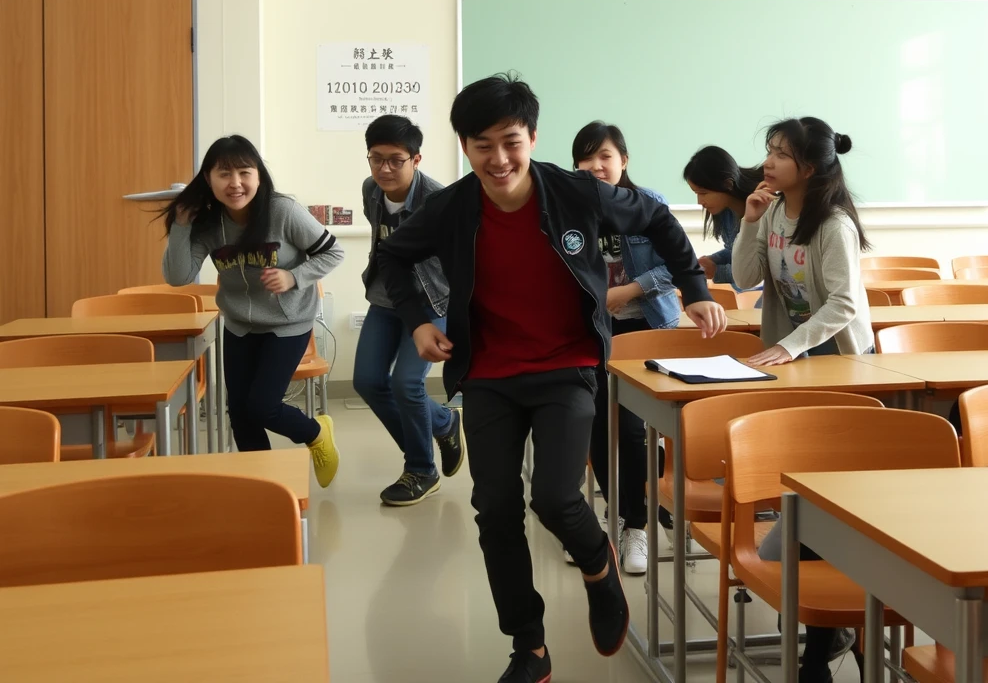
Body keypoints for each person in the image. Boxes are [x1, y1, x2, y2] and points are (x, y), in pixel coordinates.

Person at [377, 73, 727, 683]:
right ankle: (529, 647)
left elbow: (662, 221)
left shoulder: (577, 193)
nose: (499, 158)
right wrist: (416, 321)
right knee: (496, 509)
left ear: (532, 137)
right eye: (482, 144)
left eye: (510, 141)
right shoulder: (453, 207)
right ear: (464, 147)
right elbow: (390, 259)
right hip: (488, 371)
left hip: (568, 365)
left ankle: (599, 564)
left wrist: (694, 290)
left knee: (557, 497)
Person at [733, 117, 872, 683]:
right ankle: (829, 633)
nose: (768, 161)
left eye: (780, 154)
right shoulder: (769, 213)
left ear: (808, 169)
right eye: (768, 150)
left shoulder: (832, 223)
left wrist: (790, 347)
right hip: (792, 367)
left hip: (837, 367)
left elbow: (842, 304)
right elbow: (744, 279)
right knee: (806, 493)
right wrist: (746, 224)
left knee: (829, 499)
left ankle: (825, 641)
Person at [162, 135, 342, 487]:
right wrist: (181, 224)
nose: (236, 183)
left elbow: (333, 252)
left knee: (263, 406)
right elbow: (179, 276)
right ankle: (263, 486)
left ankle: (315, 432)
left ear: (259, 175)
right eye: (224, 174)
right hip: (240, 325)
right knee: (241, 416)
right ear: (208, 179)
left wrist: (294, 276)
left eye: (245, 172)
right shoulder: (208, 223)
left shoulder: (282, 211)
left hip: (288, 323)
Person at [571, 121, 680, 575]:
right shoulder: (568, 208)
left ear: (624, 161)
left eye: (606, 156)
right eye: (587, 157)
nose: (596, 166)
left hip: (643, 331)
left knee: (632, 431)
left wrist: (628, 290)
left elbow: (674, 266)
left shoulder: (649, 204)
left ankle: (636, 524)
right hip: (592, 331)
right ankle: (613, 515)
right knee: (596, 426)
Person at [353, 115, 463, 507]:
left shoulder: (439, 200)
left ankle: (421, 469)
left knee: (406, 384)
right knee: (367, 381)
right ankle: (444, 422)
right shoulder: (370, 191)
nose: (384, 168)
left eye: (395, 160)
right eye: (376, 158)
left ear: (416, 160)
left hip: (431, 303)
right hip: (385, 299)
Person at [683, 145, 763, 289]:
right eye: (696, 193)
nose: (700, 202)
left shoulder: (763, 209)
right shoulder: (725, 212)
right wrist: (712, 260)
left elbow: (759, 268)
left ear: (727, 184)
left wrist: (717, 271)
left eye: (703, 193)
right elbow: (736, 251)